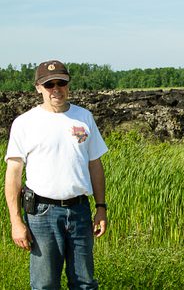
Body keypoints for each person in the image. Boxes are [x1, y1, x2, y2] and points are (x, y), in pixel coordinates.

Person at [4, 60, 108, 289]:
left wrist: (101, 207)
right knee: (45, 285)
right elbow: (13, 175)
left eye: (61, 82)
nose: (56, 89)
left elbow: (95, 165)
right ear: (38, 87)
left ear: (68, 84)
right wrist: (15, 221)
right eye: (49, 84)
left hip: (80, 210)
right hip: (42, 214)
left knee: (84, 283)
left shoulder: (84, 117)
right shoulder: (24, 123)